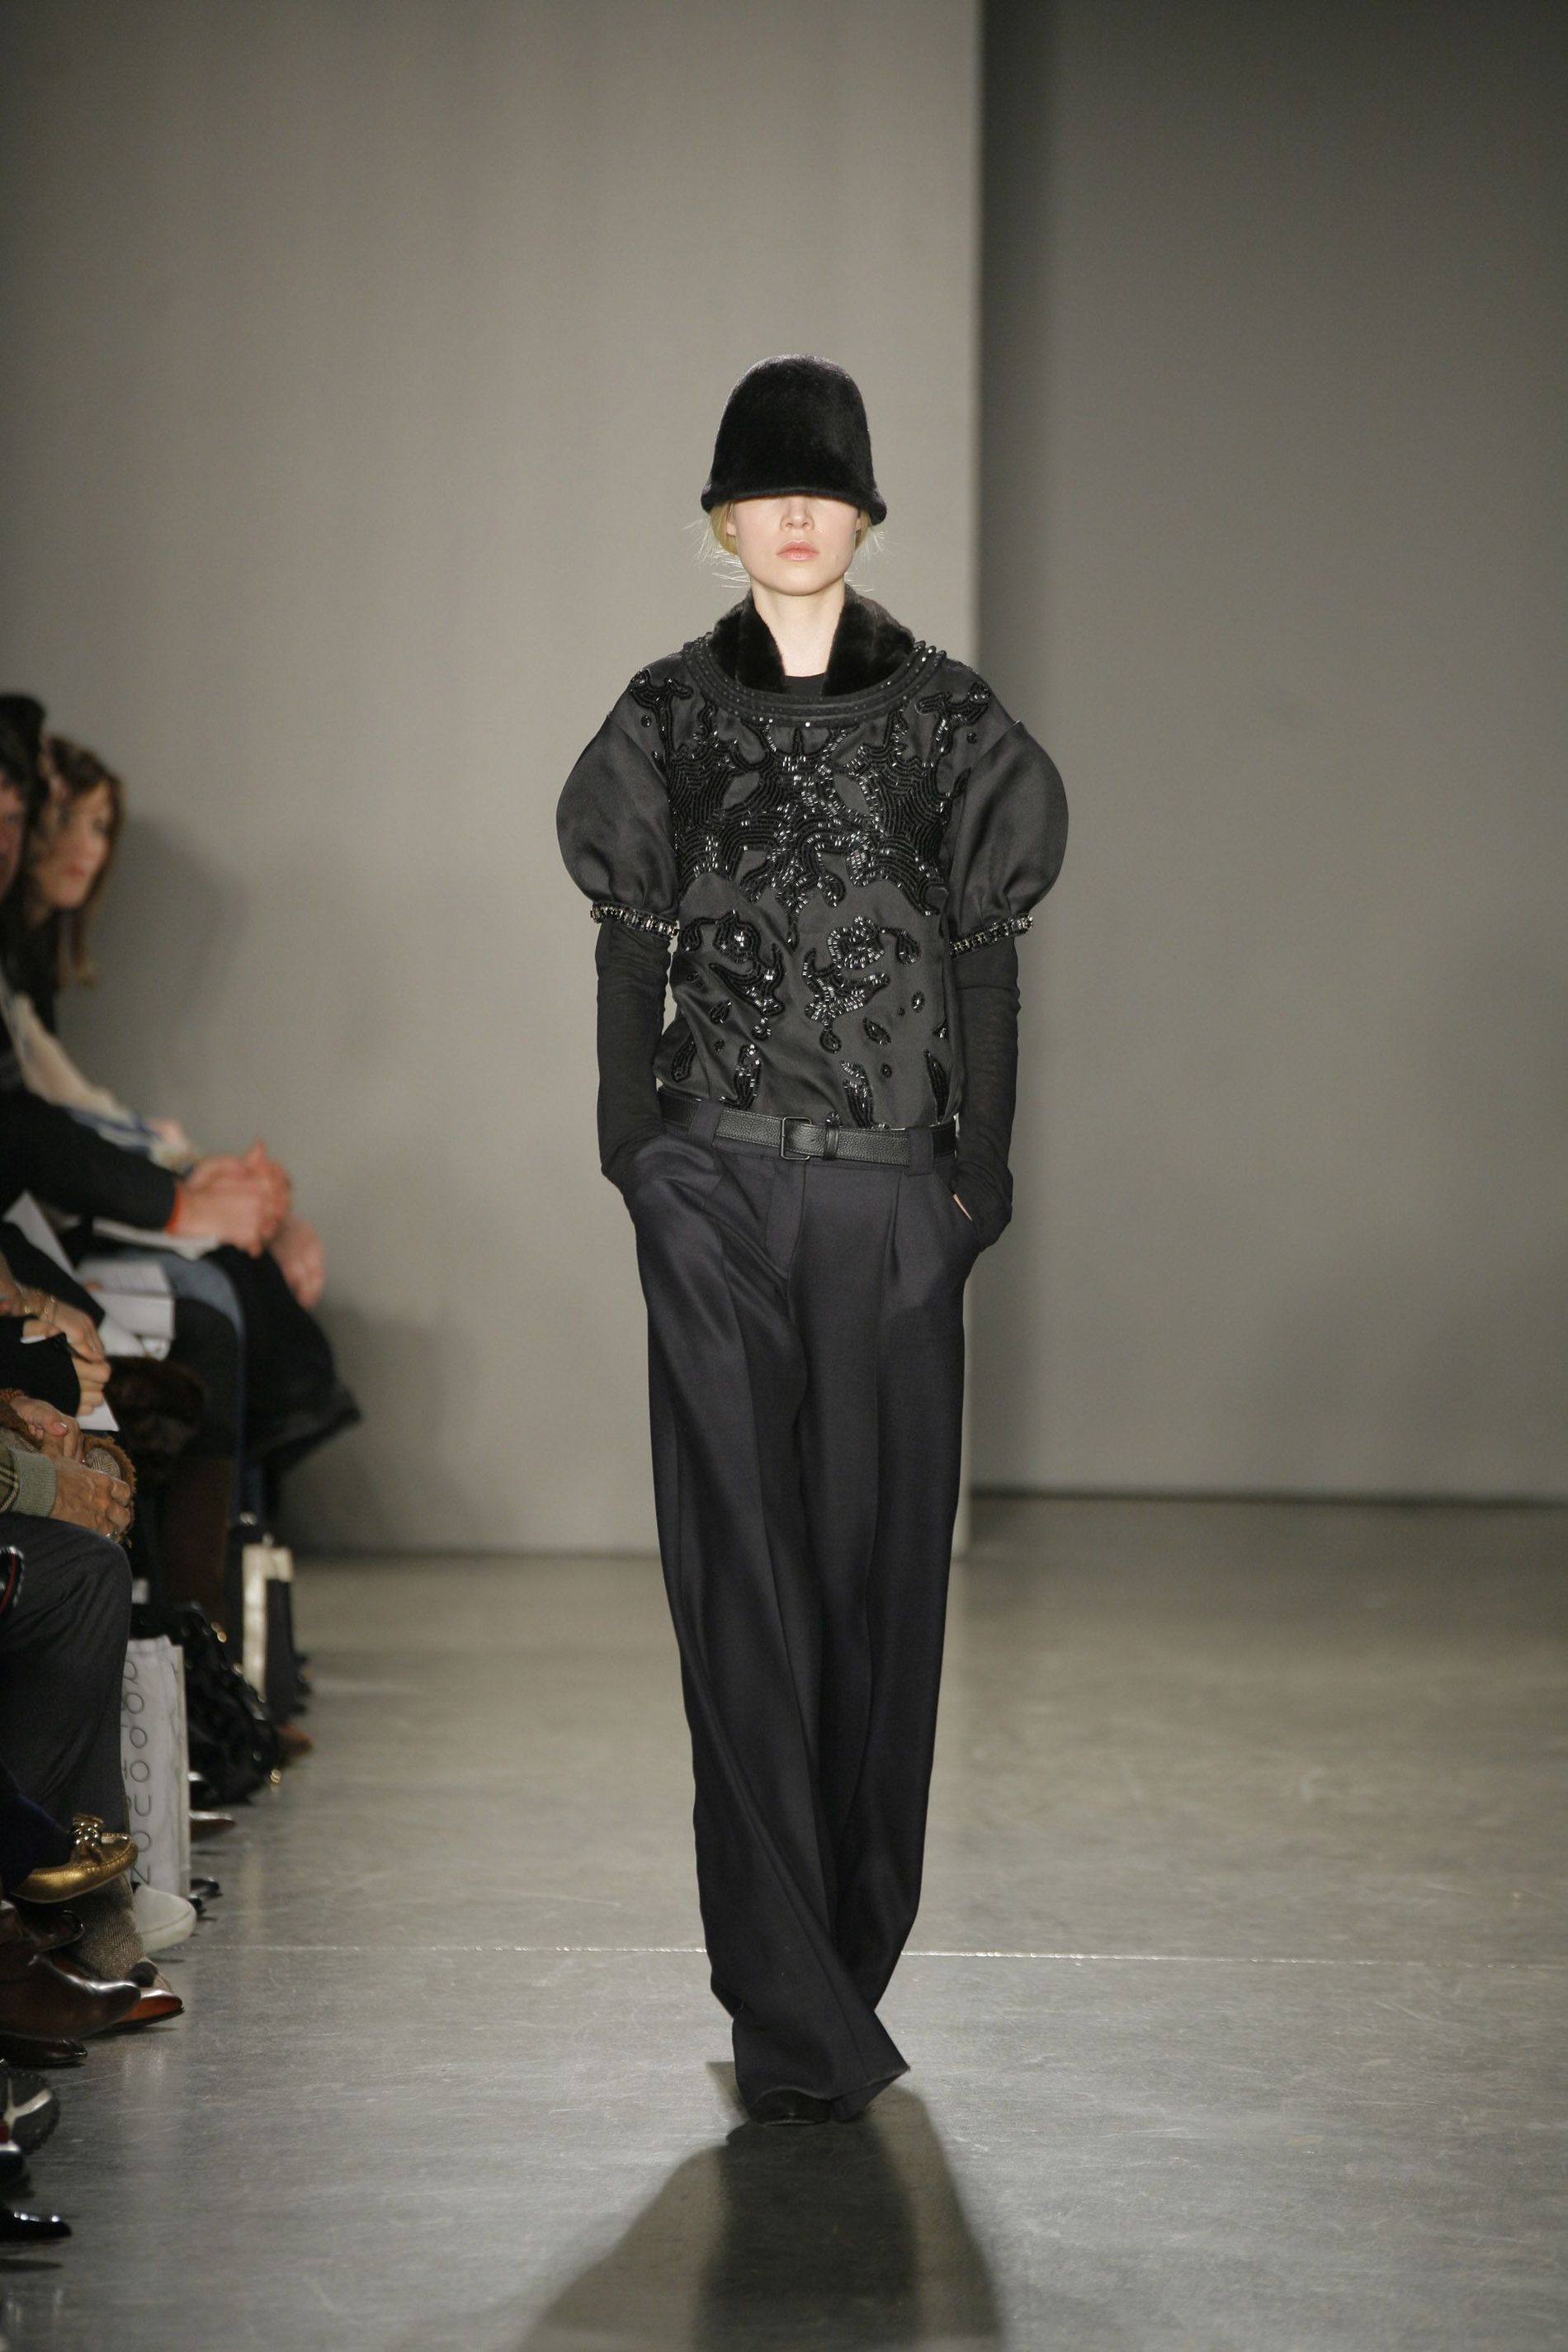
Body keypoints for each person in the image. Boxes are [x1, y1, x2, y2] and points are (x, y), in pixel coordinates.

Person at [556, 357, 1068, 2124]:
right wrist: (632, 1148)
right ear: (721, 517)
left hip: (888, 1195)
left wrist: (976, 1180)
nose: (792, 512)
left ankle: (840, 1953)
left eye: (821, 486)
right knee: (738, 1588)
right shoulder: (664, 718)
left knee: (875, 1590)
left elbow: (987, 951)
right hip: (714, 1182)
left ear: (860, 513)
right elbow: (627, 938)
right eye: (763, 488)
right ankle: (790, 2006)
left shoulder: (948, 723)